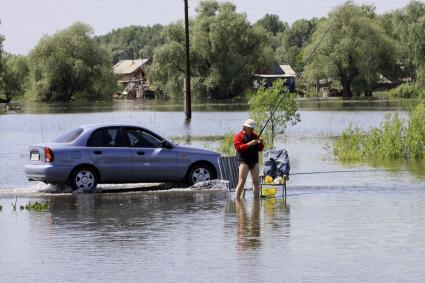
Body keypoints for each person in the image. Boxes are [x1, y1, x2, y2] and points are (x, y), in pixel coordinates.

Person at [233, 119, 264, 200]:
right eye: (250, 128)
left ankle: (256, 201)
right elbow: (238, 148)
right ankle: (237, 199)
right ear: (245, 127)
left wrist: (260, 143)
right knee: (241, 182)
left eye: (252, 128)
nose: (251, 130)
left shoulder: (255, 136)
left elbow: (260, 149)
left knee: (256, 182)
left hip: (254, 161)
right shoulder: (238, 136)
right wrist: (249, 144)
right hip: (244, 161)